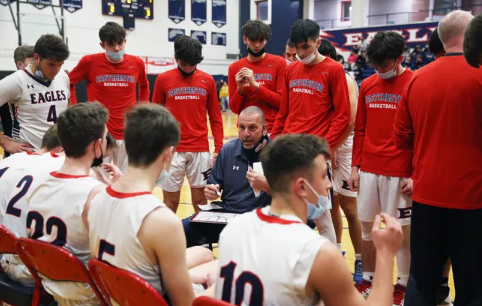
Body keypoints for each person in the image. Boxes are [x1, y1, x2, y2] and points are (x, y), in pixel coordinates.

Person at [215, 133, 403, 306]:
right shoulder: (318, 253)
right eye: (324, 176)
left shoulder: (234, 229)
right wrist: (386, 255)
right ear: (302, 187)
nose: (330, 184)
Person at [394, 11, 482, 306]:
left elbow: (401, 138)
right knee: (473, 286)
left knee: (422, 281)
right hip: (473, 200)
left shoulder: (416, 80)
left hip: (427, 196)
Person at [89, 104, 217, 306]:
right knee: (226, 276)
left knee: (206, 254)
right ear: (169, 154)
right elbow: (184, 303)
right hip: (148, 299)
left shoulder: (95, 198)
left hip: (116, 294)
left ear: (128, 147)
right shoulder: (162, 220)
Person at [348, 31, 414, 306]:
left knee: (401, 233)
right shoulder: (368, 84)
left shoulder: (414, 83)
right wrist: (354, 167)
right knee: (367, 231)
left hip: (400, 171)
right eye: (374, 65)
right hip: (369, 170)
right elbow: (360, 128)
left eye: (384, 64)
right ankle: (370, 280)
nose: (378, 70)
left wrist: (415, 174)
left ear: (400, 58)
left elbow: (421, 133)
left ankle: (403, 285)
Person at [271, 19, 351, 245]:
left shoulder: (334, 69)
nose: (299, 52)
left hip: (314, 155)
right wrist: (274, 142)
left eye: (304, 47)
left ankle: (333, 274)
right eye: (296, 47)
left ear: (318, 42)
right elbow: (284, 112)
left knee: (322, 220)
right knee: (288, 215)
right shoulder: (291, 70)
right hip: (288, 152)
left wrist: (324, 148)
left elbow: (343, 116)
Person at [25, 103, 108, 306]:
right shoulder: (95, 195)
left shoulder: (37, 185)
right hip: (90, 297)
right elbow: (116, 262)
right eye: (106, 137)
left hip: (50, 287)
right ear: (96, 145)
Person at [152, 35, 224, 213]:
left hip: (200, 149)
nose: (189, 68)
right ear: (176, 58)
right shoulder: (163, 79)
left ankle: (201, 238)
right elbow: (154, 117)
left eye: (193, 64)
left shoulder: (207, 81)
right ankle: (168, 238)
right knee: (170, 202)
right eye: (185, 64)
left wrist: (219, 147)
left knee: (200, 201)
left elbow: (215, 117)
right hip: (171, 150)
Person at [182, 106, 272, 247]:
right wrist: (211, 191)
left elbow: (291, 200)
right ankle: (205, 257)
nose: (246, 133)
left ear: (265, 129)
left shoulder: (278, 154)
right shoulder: (228, 150)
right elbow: (214, 185)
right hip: (227, 215)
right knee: (182, 230)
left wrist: (267, 186)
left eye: (252, 128)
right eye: (241, 127)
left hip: (261, 220)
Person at [68, 21, 149, 173]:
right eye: (111, 44)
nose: (117, 48)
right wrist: (74, 108)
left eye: (120, 43)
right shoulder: (89, 62)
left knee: (124, 180)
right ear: (102, 45)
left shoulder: (137, 63)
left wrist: (141, 109)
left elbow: (144, 86)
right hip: (98, 132)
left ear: (125, 41)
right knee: (97, 179)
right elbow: (69, 83)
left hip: (127, 132)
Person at [318, 38, 363, 283]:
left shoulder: (344, 79)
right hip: (327, 144)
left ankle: (360, 260)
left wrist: (332, 146)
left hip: (343, 146)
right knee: (330, 205)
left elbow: (351, 120)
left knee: (350, 208)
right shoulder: (320, 77)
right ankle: (335, 255)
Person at [0, 125, 63, 285]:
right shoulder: (51, 170)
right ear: (62, 151)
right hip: (22, 261)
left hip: (5, 248)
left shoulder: (10, 160)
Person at [0, 34, 70, 153]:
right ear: (36, 58)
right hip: (28, 155)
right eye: (51, 64)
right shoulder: (16, 81)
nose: (56, 70)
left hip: (58, 153)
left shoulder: (63, 76)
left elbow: (68, 106)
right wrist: (5, 142)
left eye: (60, 65)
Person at [228, 20, 287, 132]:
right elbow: (234, 109)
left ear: (266, 40)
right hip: (245, 130)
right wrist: (240, 89)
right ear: (245, 39)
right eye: (253, 40)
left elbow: (281, 102)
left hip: (271, 129)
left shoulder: (279, 63)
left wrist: (256, 86)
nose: (257, 45)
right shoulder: (234, 67)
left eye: (261, 41)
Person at [0, 46, 34, 158]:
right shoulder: (10, 84)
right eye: (32, 61)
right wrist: (4, 141)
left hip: (41, 150)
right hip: (17, 149)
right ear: (20, 64)